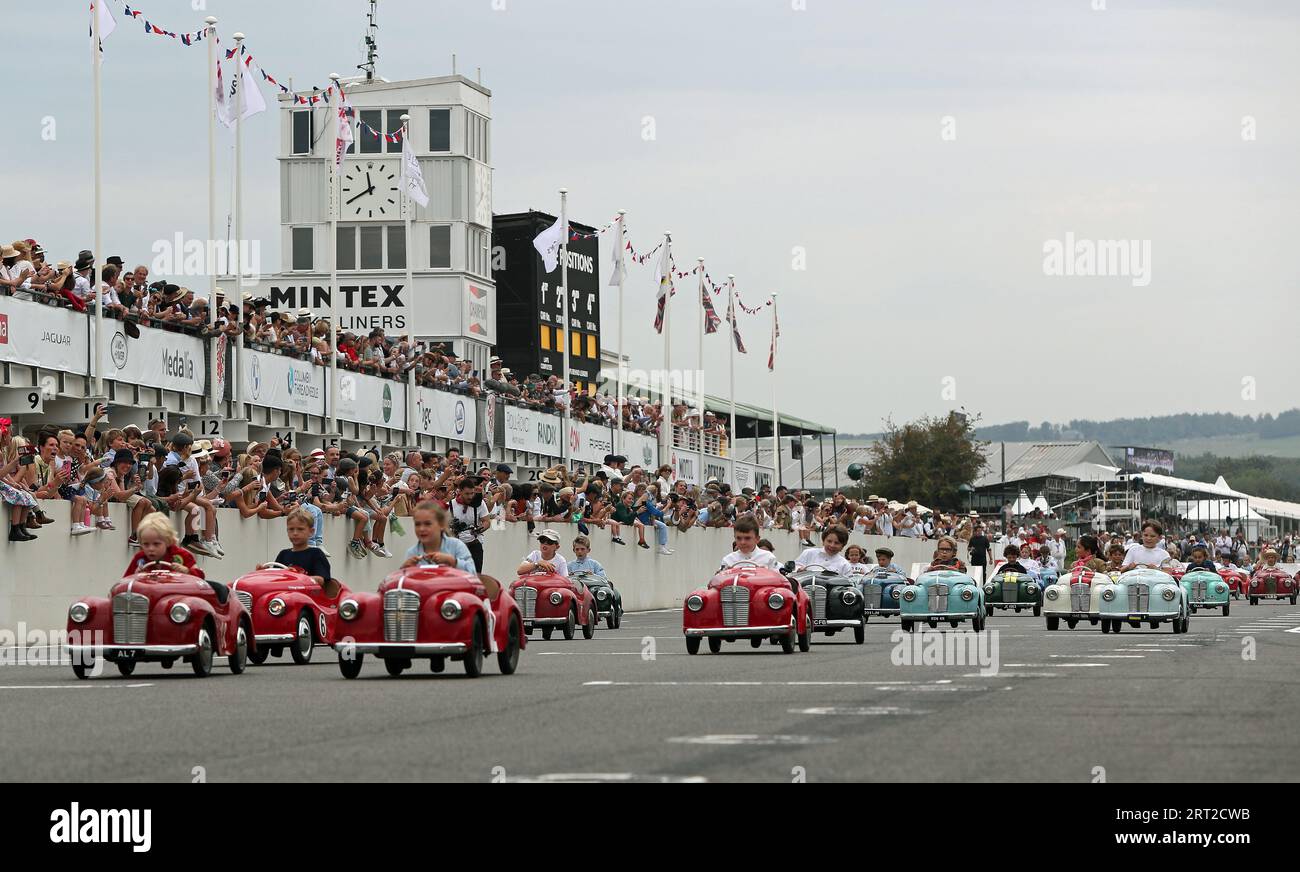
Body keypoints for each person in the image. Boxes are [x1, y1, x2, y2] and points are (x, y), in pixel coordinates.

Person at [262, 507, 336, 595]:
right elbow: (276, 578)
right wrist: (264, 572)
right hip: (284, 599)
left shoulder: (316, 554)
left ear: (311, 532)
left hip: (309, 598)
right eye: (291, 529)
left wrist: (297, 577)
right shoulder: (283, 554)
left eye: (300, 529)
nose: (295, 533)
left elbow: (321, 580)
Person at [402, 501, 476, 573]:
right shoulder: (412, 553)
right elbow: (403, 582)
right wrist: (404, 569)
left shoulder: (456, 546)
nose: (422, 529)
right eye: (417, 524)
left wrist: (452, 561)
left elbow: (472, 573)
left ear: (441, 525)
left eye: (428, 524)